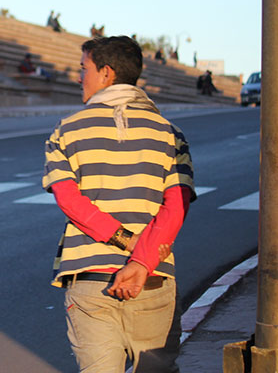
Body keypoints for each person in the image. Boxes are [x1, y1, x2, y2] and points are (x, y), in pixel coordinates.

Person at [43, 35, 196, 372]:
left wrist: (122, 240)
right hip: (154, 279)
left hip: (91, 280)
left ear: (107, 73)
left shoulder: (66, 131)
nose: (79, 78)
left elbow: (69, 200)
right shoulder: (170, 134)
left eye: (84, 69)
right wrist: (141, 261)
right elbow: (176, 205)